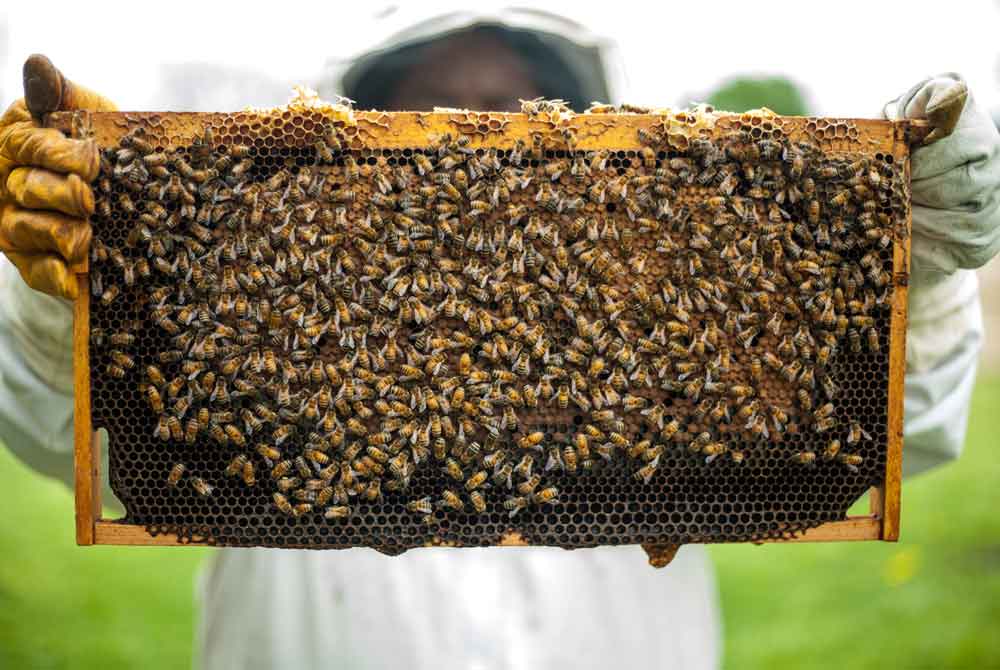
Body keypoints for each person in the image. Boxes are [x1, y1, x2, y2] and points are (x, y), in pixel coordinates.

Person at [1, 9, 999, 670]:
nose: (473, 137)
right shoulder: (240, 297)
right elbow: (69, 437)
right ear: (358, 132)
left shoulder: (665, 311)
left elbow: (891, 430)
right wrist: (79, 297)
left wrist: (927, 266)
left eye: (506, 108)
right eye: (431, 111)